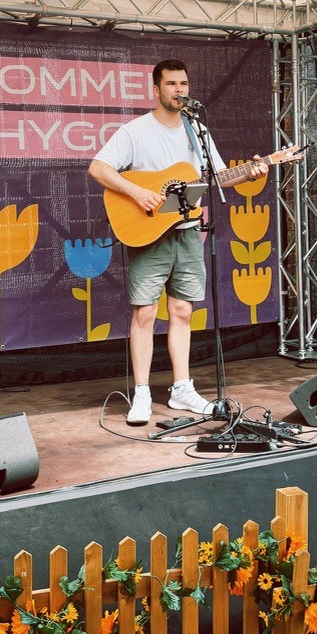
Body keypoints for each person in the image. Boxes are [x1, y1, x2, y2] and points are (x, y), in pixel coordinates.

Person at [88, 58, 270, 426]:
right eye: (171, 84)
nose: (179, 90)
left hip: (188, 233)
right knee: (144, 313)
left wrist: (253, 171)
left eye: (184, 83)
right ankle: (140, 394)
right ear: (156, 90)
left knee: (183, 312)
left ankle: (182, 390)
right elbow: (98, 167)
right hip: (148, 234)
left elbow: (219, 178)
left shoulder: (197, 130)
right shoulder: (135, 131)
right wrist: (137, 193)